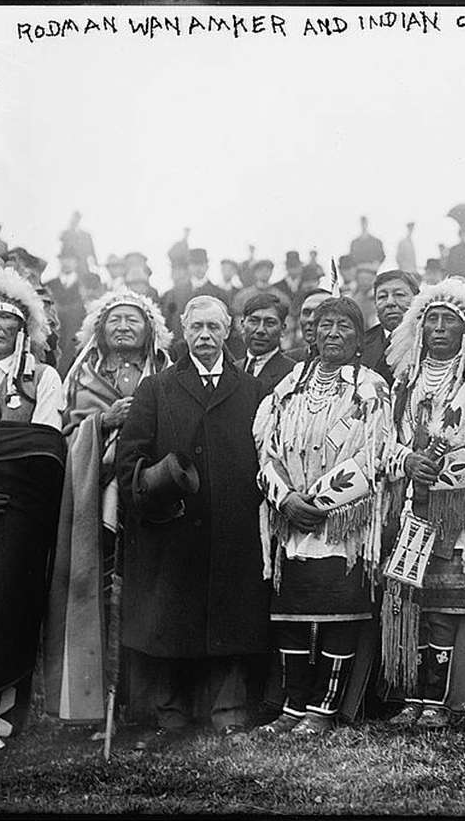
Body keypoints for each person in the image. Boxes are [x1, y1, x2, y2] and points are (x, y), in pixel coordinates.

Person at [116, 295, 270, 748]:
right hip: (171, 528)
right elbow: (131, 459)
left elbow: (267, 454)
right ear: (183, 331)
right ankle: (171, 712)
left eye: (214, 328)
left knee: (232, 617)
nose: (205, 337)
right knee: (171, 620)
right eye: (196, 327)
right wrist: (154, 491)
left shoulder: (251, 390)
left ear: (228, 333)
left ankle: (230, 710)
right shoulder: (156, 388)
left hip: (233, 528)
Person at [252, 296, 391, 735]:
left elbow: (375, 454)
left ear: (357, 340)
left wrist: (317, 501)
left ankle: (324, 708)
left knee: (337, 617)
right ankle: (294, 705)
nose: (333, 333)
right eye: (325, 324)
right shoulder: (289, 386)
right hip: (291, 521)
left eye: (344, 327)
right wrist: (285, 499)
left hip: (343, 524)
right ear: (311, 333)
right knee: (291, 616)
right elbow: (265, 449)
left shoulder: (370, 389)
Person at [44, 289, 173, 727]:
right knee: (98, 590)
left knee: (148, 591)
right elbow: (65, 433)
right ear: (99, 328)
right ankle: (97, 703)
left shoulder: (165, 371)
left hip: (148, 494)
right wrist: (103, 422)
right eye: (114, 319)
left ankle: (147, 701)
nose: (123, 327)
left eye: (132, 320)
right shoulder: (81, 374)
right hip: (97, 495)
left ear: (149, 329)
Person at [0, 267, 66, 753]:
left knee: (10, 606)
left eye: (7, 320)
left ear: (25, 330)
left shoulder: (43, 379)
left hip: (19, 513)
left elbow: (42, 448)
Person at [380, 278, 465, 728]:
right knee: (412, 600)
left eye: (450, 321)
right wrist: (407, 460)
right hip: (412, 504)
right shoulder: (403, 382)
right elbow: (383, 440)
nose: (440, 329)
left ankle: (440, 700)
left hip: (457, 510)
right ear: (419, 329)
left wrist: (445, 465)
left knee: (446, 603)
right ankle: (412, 698)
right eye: (432, 320)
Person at [47, 248, 104, 374]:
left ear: (76, 262)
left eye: (70, 259)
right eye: (64, 259)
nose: (66, 263)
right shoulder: (50, 285)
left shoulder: (83, 284)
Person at [364, 270, 421, 385]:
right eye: (382, 296)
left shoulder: (429, 340)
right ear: (375, 303)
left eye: (399, 295)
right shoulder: (361, 344)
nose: (390, 302)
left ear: (416, 300)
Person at [241, 292, 295, 395]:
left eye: (270, 323)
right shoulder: (232, 370)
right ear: (243, 325)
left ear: (282, 329)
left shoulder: (292, 373)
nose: (260, 330)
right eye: (254, 321)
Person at [287, 288, 332, 363]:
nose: (311, 319)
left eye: (320, 312)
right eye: (306, 312)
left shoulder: (352, 364)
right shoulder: (287, 363)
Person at [60, 211, 97, 278]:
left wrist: (95, 265)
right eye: (73, 218)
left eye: (77, 218)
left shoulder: (86, 236)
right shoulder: (65, 234)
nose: (75, 220)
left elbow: (92, 253)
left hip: (83, 268)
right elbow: (61, 252)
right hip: (69, 269)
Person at [351, 262, 379, 330]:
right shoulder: (352, 299)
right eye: (362, 279)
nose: (365, 282)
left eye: (368, 279)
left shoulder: (377, 299)